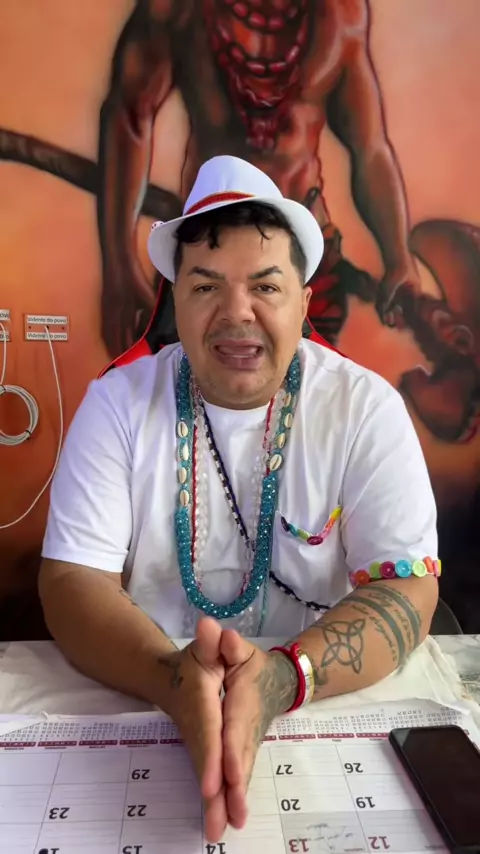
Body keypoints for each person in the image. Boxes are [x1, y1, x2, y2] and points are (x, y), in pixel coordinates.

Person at [39, 156, 439, 844]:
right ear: (175, 300)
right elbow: (73, 580)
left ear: (303, 302)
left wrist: (278, 681)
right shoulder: (118, 404)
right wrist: (176, 684)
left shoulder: (364, 409)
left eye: (265, 286)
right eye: (205, 286)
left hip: (319, 703)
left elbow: (407, 588)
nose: (236, 313)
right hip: (147, 698)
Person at [98, 0, 419, 356]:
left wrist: (398, 257)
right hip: (209, 249)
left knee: (307, 387)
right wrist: (120, 267)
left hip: (306, 257)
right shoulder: (178, 7)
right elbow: (130, 116)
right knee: (193, 384)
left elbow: (369, 147)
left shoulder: (340, 12)